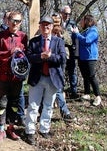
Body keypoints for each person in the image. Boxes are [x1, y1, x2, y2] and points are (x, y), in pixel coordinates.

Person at [24, 16, 66, 145]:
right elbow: (29, 57)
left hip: (52, 78)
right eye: (43, 25)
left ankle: (44, 129)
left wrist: (50, 57)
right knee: (33, 106)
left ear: (52, 27)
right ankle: (30, 131)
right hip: (37, 77)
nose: (45, 27)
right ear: (39, 26)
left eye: (48, 25)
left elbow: (62, 58)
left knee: (48, 106)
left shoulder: (59, 41)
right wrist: (40, 57)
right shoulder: (34, 41)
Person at [0, 11, 28, 144]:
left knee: (14, 104)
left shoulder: (24, 37)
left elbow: (27, 55)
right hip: (2, 75)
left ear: (21, 22)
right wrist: (9, 52)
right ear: (8, 21)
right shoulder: (0, 36)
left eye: (18, 21)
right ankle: (1, 129)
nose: (15, 23)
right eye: (12, 20)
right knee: (2, 103)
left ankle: (11, 128)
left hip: (17, 77)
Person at [72, 14, 101, 106]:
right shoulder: (85, 31)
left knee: (91, 76)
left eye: (82, 21)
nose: (81, 22)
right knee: (85, 76)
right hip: (82, 57)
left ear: (87, 21)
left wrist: (77, 34)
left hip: (90, 57)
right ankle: (87, 93)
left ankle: (98, 96)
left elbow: (87, 41)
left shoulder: (93, 30)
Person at [51, 14, 75, 122]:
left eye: (57, 20)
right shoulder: (46, 30)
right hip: (49, 60)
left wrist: (62, 36)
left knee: (59, 85)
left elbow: (69, 42)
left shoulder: (64, 30)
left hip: (62, 58)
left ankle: (64, 111)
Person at [60, 6, 79, 99]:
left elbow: (76, 37)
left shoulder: (72, 23)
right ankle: (61, 92)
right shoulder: (57, 22)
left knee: (72, 71)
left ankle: (74, 92)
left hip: (71, 50)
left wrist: (76, 52)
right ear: (61, 13)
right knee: (61, 71)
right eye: (65, 13)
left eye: (69, 14)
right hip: (60, 50)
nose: (67, 15)